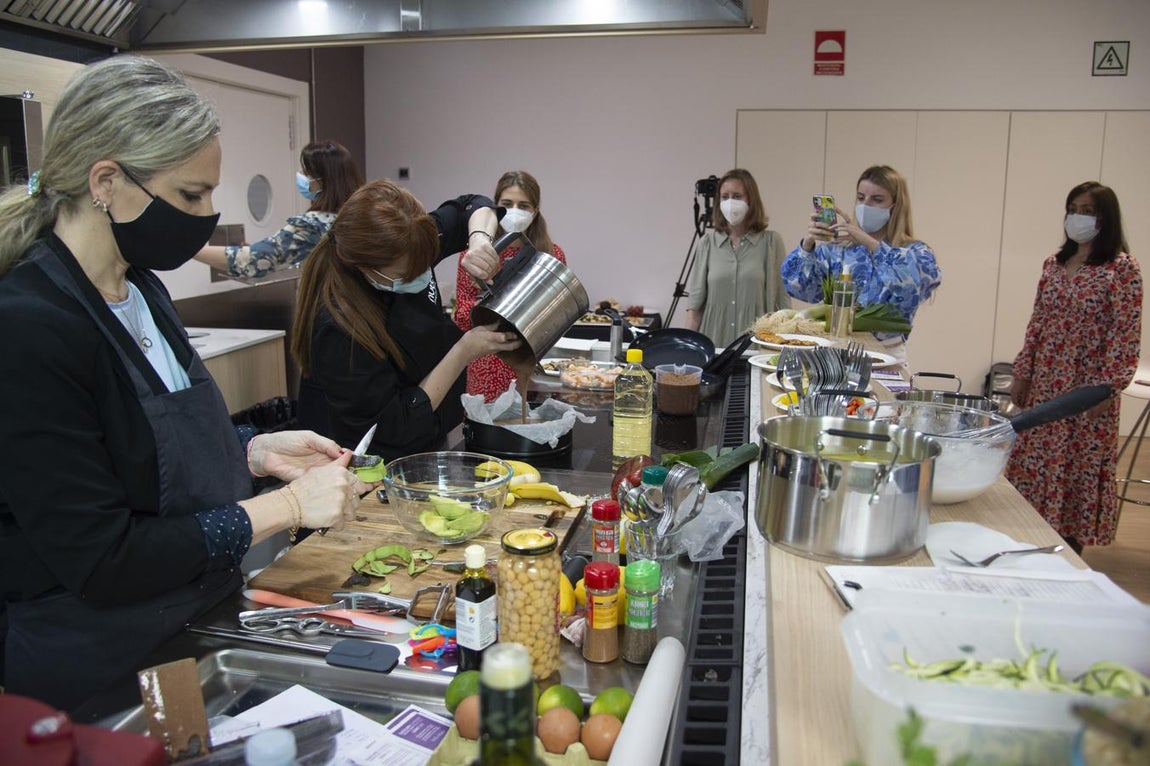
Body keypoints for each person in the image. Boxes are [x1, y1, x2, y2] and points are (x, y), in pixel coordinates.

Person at [0, 57, 370, 711]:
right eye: (191, 196)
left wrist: (254, 451)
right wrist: (285, 510)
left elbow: (147, 452)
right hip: (99, 672)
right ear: (106, 181)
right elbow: (103, 558)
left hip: (194, 626)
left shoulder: (140, 288)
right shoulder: (29, 327)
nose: (205, 215)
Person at [292, 180, 520, 460]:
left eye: (424, 264)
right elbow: (394, 427)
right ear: (366, 267)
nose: (422, 274)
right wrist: (463, 351)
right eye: (409, 273)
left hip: (430, 437)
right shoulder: (339, 328)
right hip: (370, 463)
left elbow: (472, 205)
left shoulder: (412, 238)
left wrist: (479, 239)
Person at [1006, 181, 1141, 552]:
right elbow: (1037, 322)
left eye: (1088, 211)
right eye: (1073, 209)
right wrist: (1023, 370)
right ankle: (1025, 540)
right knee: (1035, 464)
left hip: (1086, 389)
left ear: (1105, 219)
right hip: (1046, 380)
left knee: (1073, 471)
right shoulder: (1055, 263)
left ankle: (1066, 553)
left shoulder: (1121, 269)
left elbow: (1125, 333)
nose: (1078, 217)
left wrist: (1108, 387)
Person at [780, 165, 941, 363]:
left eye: (877, 199)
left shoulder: (917, 253)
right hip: (837, 354)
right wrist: (808, 244)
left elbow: (909, 288)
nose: (866, 205)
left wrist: (869, 242)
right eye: (861, 197)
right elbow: (800, 289)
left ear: (896, 204)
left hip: (887, 357)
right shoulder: (839, 249)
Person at [453, 170, 567, 401]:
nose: (514, 211)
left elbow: (558, 316)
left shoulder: (551, 255)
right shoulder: (475, 256)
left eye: (523, 205)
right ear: (495, 208)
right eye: (507, 203)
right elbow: (462, 315)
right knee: (487, 430)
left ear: (535, 212)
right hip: (485, 362)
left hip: (535, 361)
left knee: (532, 427)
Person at [193, 140, 363, 278]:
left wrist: (192, 250)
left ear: (324, 180)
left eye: (307, 174)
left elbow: (253, 260)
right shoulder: (360, 217)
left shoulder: (313, 224)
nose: (302, 178)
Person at [684, 168, 790, 348]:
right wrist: (686, 350)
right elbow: (695, 307)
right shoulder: (707, 243)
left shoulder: (771, 242)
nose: (730, 202)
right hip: (714, 346)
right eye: (725, 197)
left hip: (755, 348)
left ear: (751, 200)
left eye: (737, 196)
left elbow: (782, 304)